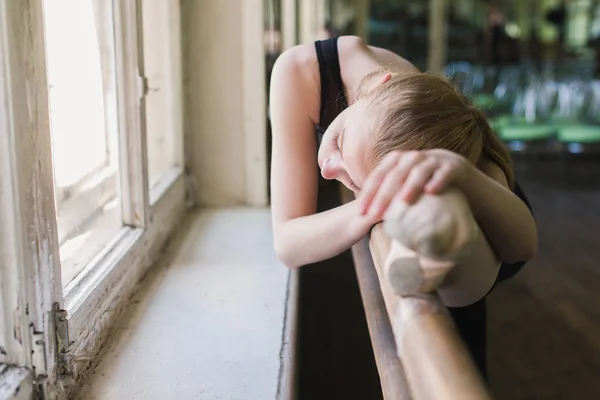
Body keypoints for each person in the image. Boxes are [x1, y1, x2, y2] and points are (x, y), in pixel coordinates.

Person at [269, 35, 537, 391]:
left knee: (455, 313)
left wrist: (459, 174)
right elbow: (288, 242)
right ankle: (431, 244)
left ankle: (442, 234)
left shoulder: (447, 136)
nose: (328, 169)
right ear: (381, 84)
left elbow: (522, 248)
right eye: (339, 142)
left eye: (351, 172)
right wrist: (373, 206)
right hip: (433, 212)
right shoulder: (302, 72)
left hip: (484, 207)